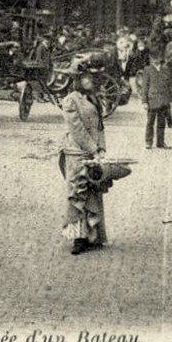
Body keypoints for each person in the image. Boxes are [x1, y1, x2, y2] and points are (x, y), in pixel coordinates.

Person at [59, 69, 108, 255]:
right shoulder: (71, 100)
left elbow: (100, 126)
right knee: (78, 192)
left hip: (93, 152)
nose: (89, 81)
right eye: (85, 78)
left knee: (93, 190)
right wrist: (93, 148)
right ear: (78, 80)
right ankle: (78, 238)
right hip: (77, 152)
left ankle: (93, 234)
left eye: (91, 77)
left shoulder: (93, 98)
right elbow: (76, 129)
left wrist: (101, 148)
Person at [141, 50, 172, 149]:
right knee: (150, 122)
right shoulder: (147, 70)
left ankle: (160, 142)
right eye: (153, 58)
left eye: (158, 58)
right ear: (151, 59)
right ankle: (148, 142)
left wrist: (169, 100)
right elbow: (144, 86)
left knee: (161, 123)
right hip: (152, 100)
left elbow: (169, 86)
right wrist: (144, 101)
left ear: (161, 58)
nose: (156, 60)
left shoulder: (166, 69)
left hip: (163, 100)